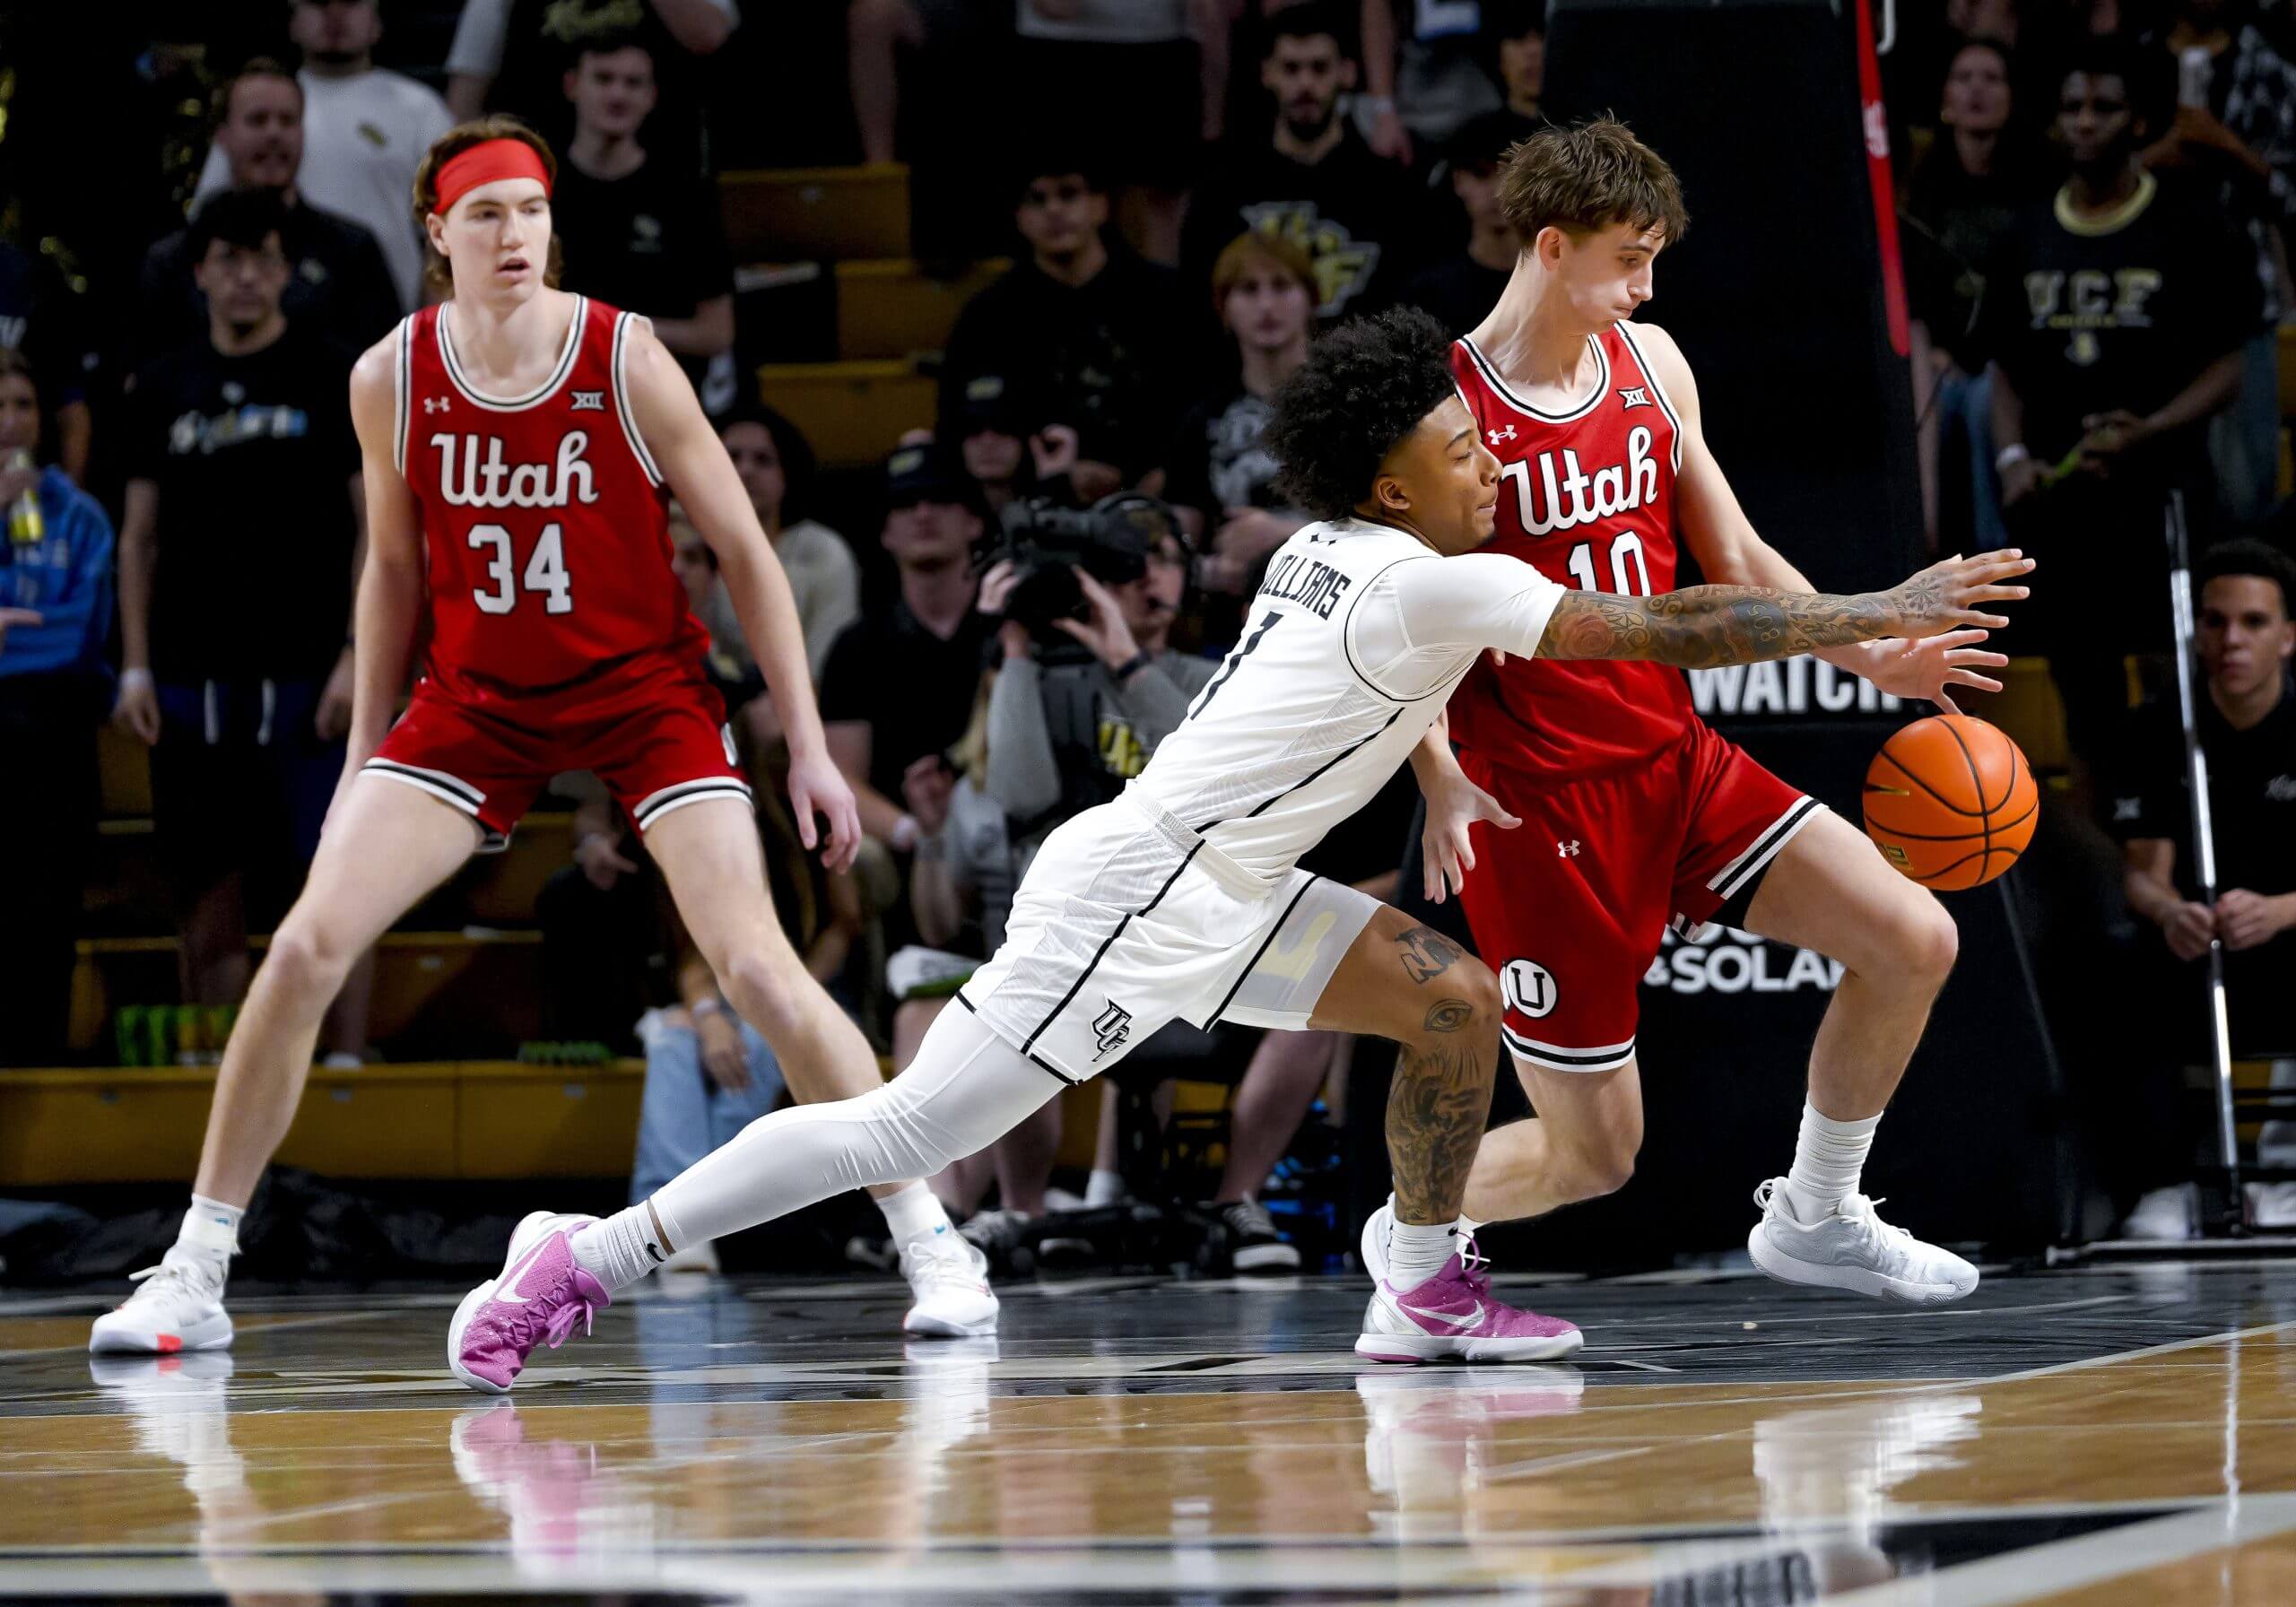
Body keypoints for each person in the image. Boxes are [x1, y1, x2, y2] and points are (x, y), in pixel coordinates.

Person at [440, 303, 2032, 1392]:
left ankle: (1421, 1281)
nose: (1491, 463)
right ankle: (586, 1256)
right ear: (1392, 482)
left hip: (1235, 882)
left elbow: (1402, 685)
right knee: (902, 1127)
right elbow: (1668, 624)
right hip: (1139, 899)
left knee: (1453, 1002)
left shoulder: (1336, 547)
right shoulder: (1438, 581)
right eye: (1460, 450)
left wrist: (1437, 779)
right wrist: (1870, 613)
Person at [89, 117, 994, 1360]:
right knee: (301, 948)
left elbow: (745, 550)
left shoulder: (625, 355)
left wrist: (809, 745)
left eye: (531, 210)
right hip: (477, 705)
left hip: (643, 692)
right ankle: (195, 1272)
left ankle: (932, 1239)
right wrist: (360, 759)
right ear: (438, 233)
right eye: (486, 214)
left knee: (757, 966)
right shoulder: (390, 375)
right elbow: (392, 570)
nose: (514, 234)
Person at [1389, 117, 2029, 1307]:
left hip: (1674, 758)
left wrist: (1873, 655)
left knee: (1914, 938)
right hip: (1539, 804)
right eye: (1628, 260)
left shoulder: (1653, 364)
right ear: (1550, 245)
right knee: (1593, 1159)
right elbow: (1400, 618)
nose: (1645, 286)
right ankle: (1413, 1227)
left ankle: (1817, 1212)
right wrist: (1435, 771)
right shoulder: (1448, 410)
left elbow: (1734, 556)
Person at [112, 187, 374, 1072]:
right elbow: (138, 538)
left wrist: (357, 655)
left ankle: (344, 1071)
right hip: (194, 677)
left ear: (286, 270)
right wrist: (136, 667)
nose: (247, 276)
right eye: (229, 259)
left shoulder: (334, 375)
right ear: (200, 273)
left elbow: (378, 528)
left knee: (334, 877)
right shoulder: (161, 385)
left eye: (263, 257)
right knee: (206, 881)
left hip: (311, 672)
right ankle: (221, 1078)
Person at [1987, 37, 2255, 771]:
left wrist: (2151, 430)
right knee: (2084, 690)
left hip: (2164, 491)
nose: (2084, 121)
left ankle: (2182, 812)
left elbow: (2228, 368)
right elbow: (2005, 369)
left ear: (2138, 121)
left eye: (2103, 107)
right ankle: (2109, 821)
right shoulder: (2025, 234)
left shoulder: (2191, 226)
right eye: (2071, 106)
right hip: (2064, 500)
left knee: (2180, 671)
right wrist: (2012, 458)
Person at [2108, 539, 2296, 1230]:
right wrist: (2172, 913)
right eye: (2215, 621)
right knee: (2121, 958)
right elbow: (2143, 876)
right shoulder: (2158, 728)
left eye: (2253, 622)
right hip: (2198, 944)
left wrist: (2278, 911)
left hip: (2287, 935)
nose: (2231, 640)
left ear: (2288, 637)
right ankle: (2174, 1179)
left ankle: (2285, 1174)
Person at [941, 167, 1190, 501]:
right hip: (1029, 499)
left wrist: (1161, 473)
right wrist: (1050, 475)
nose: (1054, 210)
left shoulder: (1166, 298)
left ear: (1101, 205)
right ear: (1019, 217)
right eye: (1037, 199)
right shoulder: (987, 318)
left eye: (1068, 194)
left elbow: (1198, 402)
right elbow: (958, 427)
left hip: (1162, 497)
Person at [189, 0, 455, 312]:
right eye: (318, 2)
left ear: (377, 20)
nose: (335, 14)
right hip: (262, 315)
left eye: (351, 2)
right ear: (292, 21)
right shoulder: (264, 104)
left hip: (384, 315)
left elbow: (447, 237)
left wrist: (432, 329)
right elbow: (207, 223)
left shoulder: (421, 109)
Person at [2140, 0, 2296, 523]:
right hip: (2144, 293)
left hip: (2241, 293)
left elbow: (2289, 193)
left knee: (2246, 488)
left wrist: (2226, 145)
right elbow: (2083, 175)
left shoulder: (2269, 70)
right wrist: (2157, 156)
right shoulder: (2134, 63)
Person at [0, 349, 114, 1065]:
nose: (11, 422)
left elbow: (76, 635)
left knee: (47, 916)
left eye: (23, 405)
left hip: (54, 738)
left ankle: (36, 1066)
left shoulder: (79, 516)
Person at [135, 61, 400, 363]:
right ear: (222, 135)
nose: (274, 134)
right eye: (257, 120)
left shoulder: (352, 251)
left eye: (287, 121)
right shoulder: (175, 259)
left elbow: (389, 368)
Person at [1184, 2, 1427, 325]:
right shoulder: (1224, 190)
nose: (1305, 84)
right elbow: (1199, 300)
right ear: (1267, 73)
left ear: (1347, 72)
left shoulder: (1389, 190)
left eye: (1319, 68)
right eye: (1291, 68)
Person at [819, 442, 995, 851]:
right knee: (858, 856)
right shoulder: (857, 647)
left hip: (1005, 837)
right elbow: (840, 778)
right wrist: (917, 835)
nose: (923, 514)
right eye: (905, 503)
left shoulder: (1011, 631)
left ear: (974, 521)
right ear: (885, 533)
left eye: (941, 499)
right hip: (903, 841)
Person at [551, 36, 738, 414]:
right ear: (572, 86)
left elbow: (717, 332)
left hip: (658, 401)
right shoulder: (535, 191)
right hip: (554, 392)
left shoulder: (685, 195)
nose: (618, 95)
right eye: (604, 79)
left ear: (651, 96)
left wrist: (615, 333)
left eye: (633, 83)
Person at [1901, 35, 2027, 550]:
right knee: (1936, 390)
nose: (1977, 90)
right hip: (1940, 359)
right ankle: (1927, 541)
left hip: (2012, 360)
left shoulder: (2035, 184)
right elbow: (1913, 300)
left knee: (1985, 400)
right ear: (1945, 99)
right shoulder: (1921, 193)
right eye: (1964, 78)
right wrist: (1937, 352)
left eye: (1992, 79)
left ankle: (1997, 552)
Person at [1161, 233, 1317, 575]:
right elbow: (1175, 553)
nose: (1266, 305)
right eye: (1248, 289)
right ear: (1223, 307)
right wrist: (1216, 573)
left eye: (1281, 286)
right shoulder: (1203, 421)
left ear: (1311, 299)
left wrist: (1286, 534)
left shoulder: (1354, 405)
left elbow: (1392, 527)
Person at [719, 404, 857, 685]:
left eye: (763, 460)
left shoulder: (824, 551)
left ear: (787, 473)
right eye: (732, 457)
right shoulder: (686, 547)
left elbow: (828, 662)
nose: (745, 470)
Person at [1400, 111, 1535, 338]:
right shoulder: (1427, 296)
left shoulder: (1563, 287)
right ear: (1458, 181)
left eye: (1511, 174)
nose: (1497, 191)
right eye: (1481, 174)